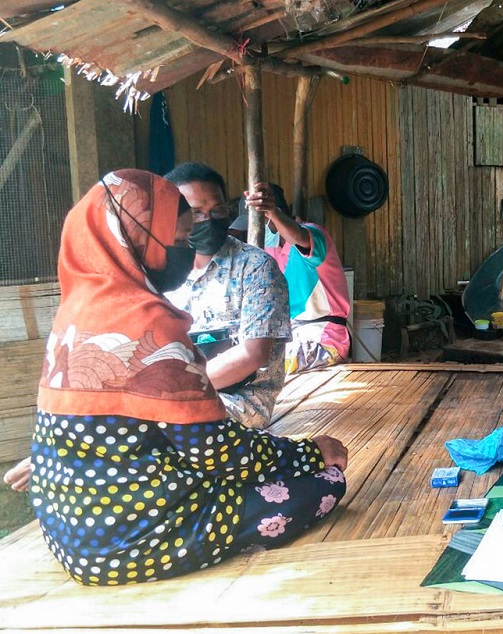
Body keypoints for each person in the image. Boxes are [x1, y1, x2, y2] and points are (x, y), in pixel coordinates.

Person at [26, 169, 348, 585]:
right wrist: (309, 453)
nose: (186, 247)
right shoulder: (147, 321)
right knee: (325, 485)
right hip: (128, 544)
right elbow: (218, 453)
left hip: (71, 537)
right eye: (178, 240)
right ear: (137, 237)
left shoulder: (75, 314)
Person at [163, 162, 291, 430]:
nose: (208, 221)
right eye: (196, 213)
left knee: (166, 426)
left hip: (237, 401)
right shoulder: (163, 271)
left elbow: (252, 354)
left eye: (217, 210)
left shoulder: (255, 267)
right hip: (171, 397)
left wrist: (176, 391)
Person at [234, 183, 352, 372]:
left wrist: (272, 211)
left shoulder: (313, 234)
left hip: (323, 340)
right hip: (291, 339)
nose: (254, 231)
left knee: (256, 367)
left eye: (260, 223)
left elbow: (298, 236)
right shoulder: (266, 251)